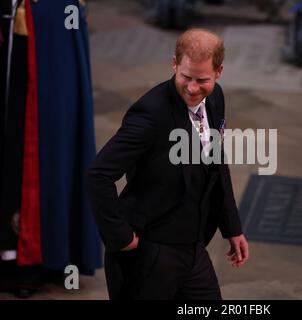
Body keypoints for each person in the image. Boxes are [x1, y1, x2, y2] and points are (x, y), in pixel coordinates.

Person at [87, 28, 249, 300]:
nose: (193, 88)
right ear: (174, 63)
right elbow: (98, 174)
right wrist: (121, 237)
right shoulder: (150, 114)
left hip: (194, 249)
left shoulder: (216, 98)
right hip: (151, 253)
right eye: (186, 77)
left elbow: (217, 165)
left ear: (218, 72)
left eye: (202, 80)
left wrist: (232, 227)